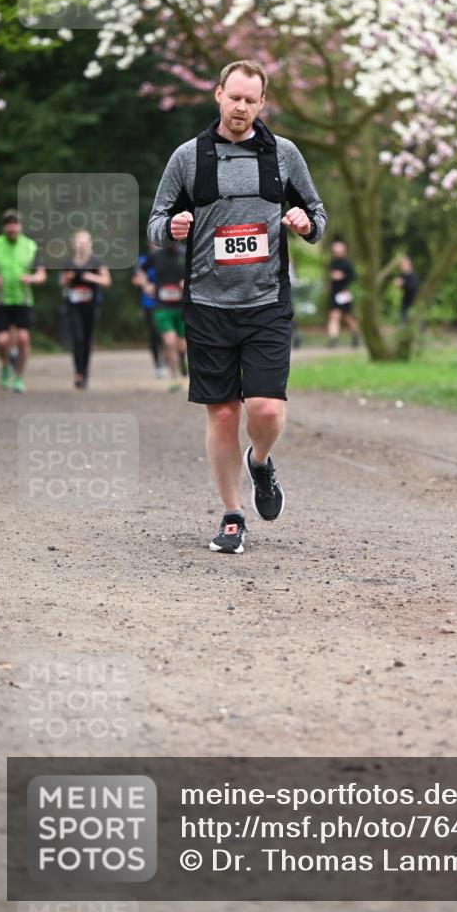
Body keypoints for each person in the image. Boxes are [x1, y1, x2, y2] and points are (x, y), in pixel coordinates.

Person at [148, 58, 328, 553]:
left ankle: (260, 461)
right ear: (218, 95)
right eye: (235, 98)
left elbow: (318, 213)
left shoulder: (283, 155)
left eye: (252, 100)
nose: (242, 107)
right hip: (207, 303)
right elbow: (156, 220)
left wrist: (304, 223)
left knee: (266, 409)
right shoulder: (190, 157)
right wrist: (172, 229)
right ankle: (232, 515)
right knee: (223, 415)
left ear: (262, 103)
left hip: (267, 301)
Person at [0, 209, 46, 393]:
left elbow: (41, 274)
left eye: (15, 224)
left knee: (23, 338)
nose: (12, 228)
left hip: (23, 299)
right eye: (9, 225)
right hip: (0, 298)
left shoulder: (30, 246)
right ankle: (5, 366)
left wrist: (32, 279)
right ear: (5, 227)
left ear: (20, 226)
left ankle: (19, 377)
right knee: (2, 340)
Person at [133, 239, 187, 392]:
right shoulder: (155, 256)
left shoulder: (185, 253)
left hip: (182, 306)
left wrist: (187, 282)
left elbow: (200, 271)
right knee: (170, 342)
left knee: (182, 344)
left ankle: (183, 361)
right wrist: (145, 285)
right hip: (162, 306)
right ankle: (174, 377)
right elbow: (140, 270)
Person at [60, 229, 111, 389]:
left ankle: (85, 373)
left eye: (85, 241)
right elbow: (61, 283)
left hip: (91, 306)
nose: (82, 245)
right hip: (74, 306)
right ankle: (78, 372)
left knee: (87, 340)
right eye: (79, 241)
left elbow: (107, 281)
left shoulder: (96, 261)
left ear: (90, 244)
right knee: (78, 338)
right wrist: (66, 278)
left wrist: (91, 277)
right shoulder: (68, 263)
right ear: (73, 244)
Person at [133, 243, 164, 377]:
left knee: (172, 334)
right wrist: (146, 286)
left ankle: (178, 360)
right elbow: (135, 279)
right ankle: (158, 364)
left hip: (168, 302)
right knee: (154, 334)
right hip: (149, 303)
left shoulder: (170, 257)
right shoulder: (142, 260)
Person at [327, 236, 359, 348]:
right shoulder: (332, 263)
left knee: (348, 316)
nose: (337, 253)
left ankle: (355, 335)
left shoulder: (347, 264)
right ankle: (332, 339)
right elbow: (331, 277)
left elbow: (353, 277)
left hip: (344, 293)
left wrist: (342, 276)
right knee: (334, 316)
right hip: (334, 293)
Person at [394, 255, 419, 322]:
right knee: (403, 317)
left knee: (416, 318)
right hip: (406, 300)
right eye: (401, 266)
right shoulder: (402, 275)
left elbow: (413, 287)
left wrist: (403, 283)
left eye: (404, 265)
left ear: (409, 265)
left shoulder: (413, 275)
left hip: (414, 299)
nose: (402, 267)